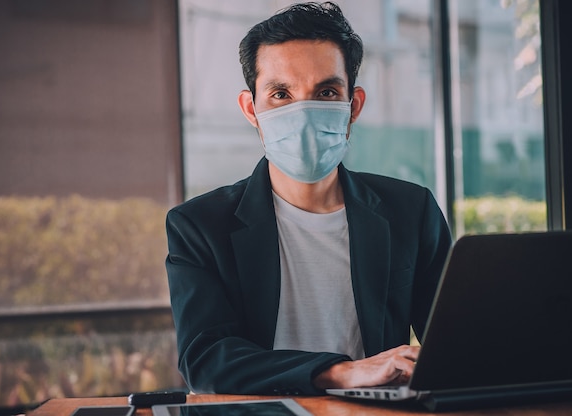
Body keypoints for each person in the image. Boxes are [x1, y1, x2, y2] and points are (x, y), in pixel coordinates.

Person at [165, 1, 452, 396]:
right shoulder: (199, 226)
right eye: (281, 93)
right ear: (252, 109)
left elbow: (458, 345)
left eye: (327, 91)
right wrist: (339, 372)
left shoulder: (410, 210)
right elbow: (206, 360)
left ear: (354, 106)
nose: (303, 113)